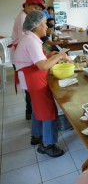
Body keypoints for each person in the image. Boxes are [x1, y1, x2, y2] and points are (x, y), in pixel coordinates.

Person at [13, 10, 71, 157]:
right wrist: (60, 56)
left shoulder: (29, 38)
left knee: (37, 108)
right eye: (44, 24)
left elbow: (37, 59)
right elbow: (43, 66)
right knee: (47, 110)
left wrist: (48, 56)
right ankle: (47, 145)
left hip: (30, 77)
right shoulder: (31, 41)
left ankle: (37, 135)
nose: (46, 27)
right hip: (33, 78)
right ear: (36, 25)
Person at [11, 0, 46, 120]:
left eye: (39, 9)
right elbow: (28, 42)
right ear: (26, 5)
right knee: (30, 91)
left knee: (30, 91)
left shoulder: (24, 16)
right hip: (24, 60)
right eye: (34, 7)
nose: (36, 11)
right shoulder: (23, 18)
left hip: (24, 58)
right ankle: (31, 113)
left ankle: (32, 113)